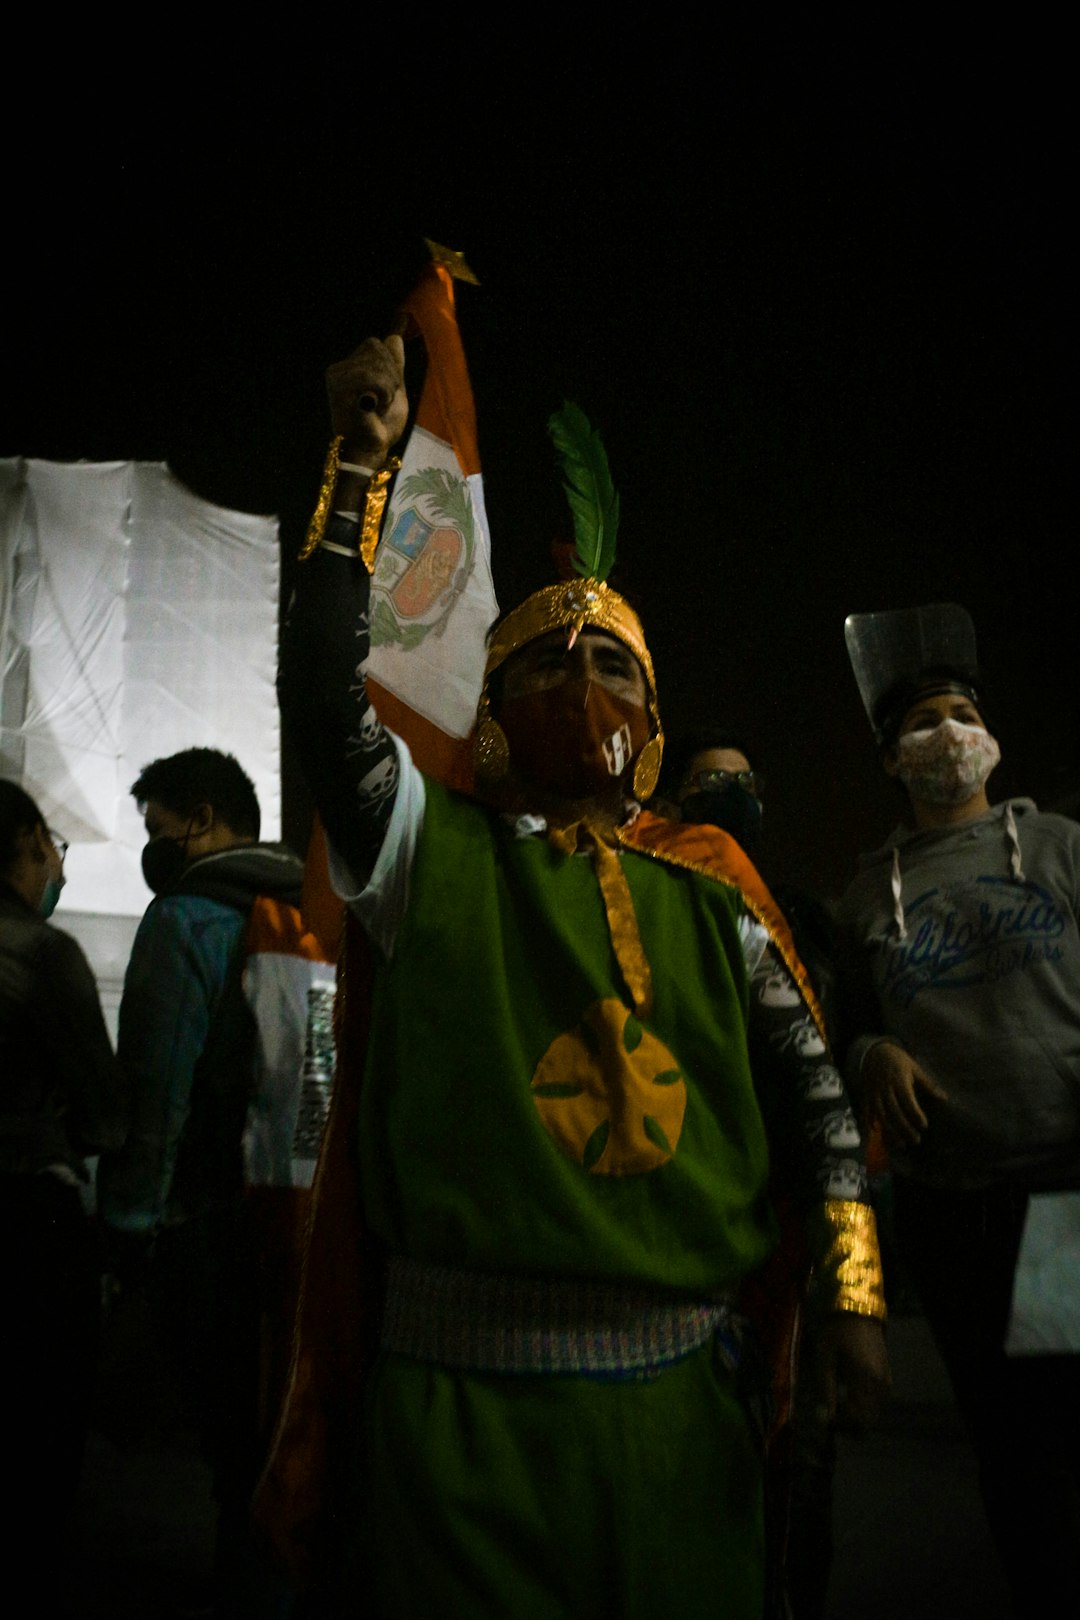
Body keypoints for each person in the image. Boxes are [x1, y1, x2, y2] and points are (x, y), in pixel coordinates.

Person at [266, 333, 889, 1619]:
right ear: (494, 706)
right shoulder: (418, 847)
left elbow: (816, 1103)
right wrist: (358, 471)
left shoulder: (714, 884)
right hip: (457, 1417)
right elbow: (326, 693)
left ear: (652, 728)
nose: (585, 680)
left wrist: (855, 1293)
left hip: (677, 1416)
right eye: (552, 660)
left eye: (616, 665)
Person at [837, 607, 1080, 1615]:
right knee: (1004, 1445)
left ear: (989, 738)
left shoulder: (1062, 846)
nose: (949, 731)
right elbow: (841, 1028)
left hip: (1057, 1190)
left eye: (963, 711)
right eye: (926, 719)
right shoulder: (862, 895)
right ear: (896, 760)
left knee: (1066, 1428)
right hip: (949, 1210)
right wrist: (871, 1048)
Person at [95, 747, 313, 1614]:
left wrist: (128, 1224)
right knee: (282, 1435)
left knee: (222, 1444)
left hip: (208, 1219)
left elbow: (155, 1089)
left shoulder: (185, 919)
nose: (154, 848)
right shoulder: (312, 907)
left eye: (157, 829)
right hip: (303, 1217)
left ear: (199, 818)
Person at [0, 779, 125, 1565]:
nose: (61, 866)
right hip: (26, 1222)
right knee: (34, 1439)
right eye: (55, 845)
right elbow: (106, 1117)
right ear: (29, 844)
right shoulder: (45, 954)